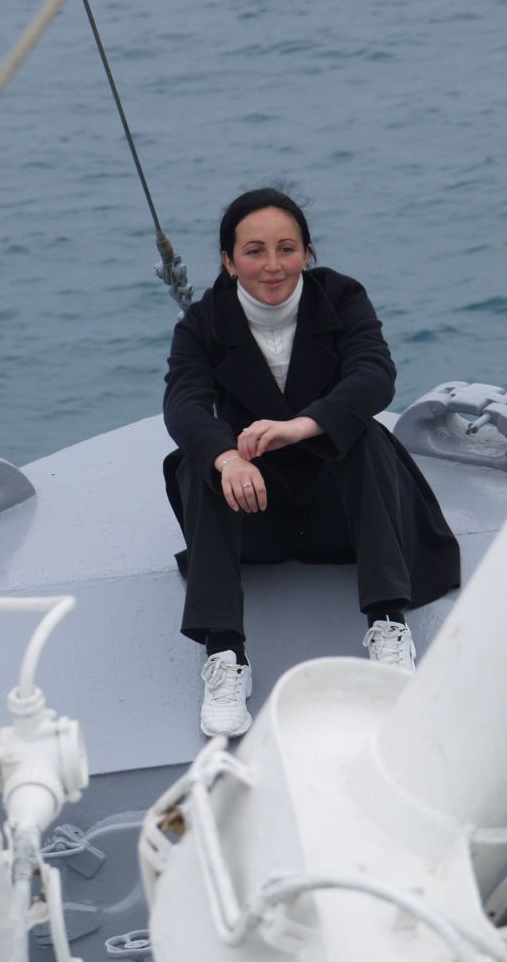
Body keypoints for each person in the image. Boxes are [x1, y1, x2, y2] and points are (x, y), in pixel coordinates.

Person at [162, 188, 460, 738]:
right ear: (228, 261)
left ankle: (387, 626)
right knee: (197, 464)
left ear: (308, 252)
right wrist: (227, 458)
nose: (273, 265)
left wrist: (302, 425)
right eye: (254, 251)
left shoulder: (341, 298)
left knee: (365, 437)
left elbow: (375, 374)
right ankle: (225, 656)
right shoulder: (203, 324)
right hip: (257, 516)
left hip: (342, 515)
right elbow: (183, 404)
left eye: (287, 248)